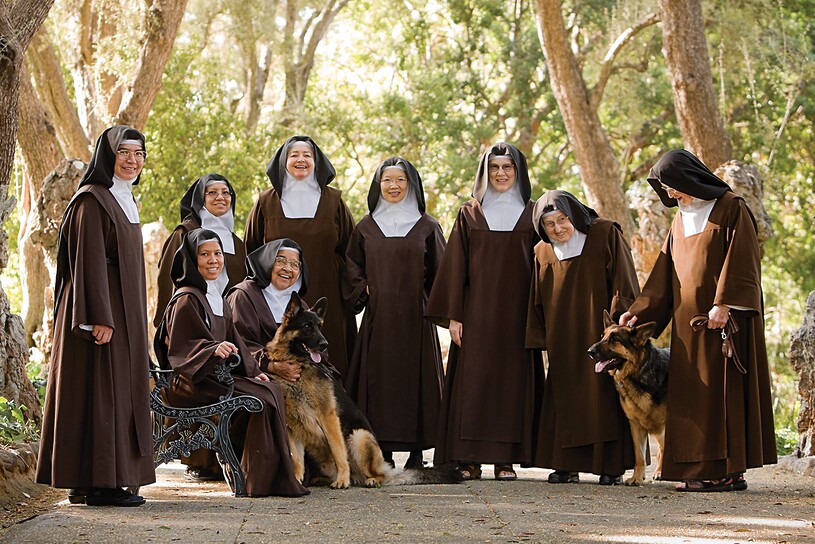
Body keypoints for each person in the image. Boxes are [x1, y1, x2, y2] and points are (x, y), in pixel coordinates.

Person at [619, 149, 776, 492]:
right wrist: (640, 313)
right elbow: (664, 275)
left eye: (674, 187)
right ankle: (705, 469)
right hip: (688, 324)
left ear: (688, 178)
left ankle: (726, 472)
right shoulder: (679, 220)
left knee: (722, 394)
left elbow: (744, 259)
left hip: (722, 321)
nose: (672, 195)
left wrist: (725, 303)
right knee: (695, 396)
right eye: (666, 190)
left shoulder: (731, 207)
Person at [36, 125, 155, 507]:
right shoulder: (92, 200)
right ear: (108, 155)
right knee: (104, 393)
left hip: (121, 312)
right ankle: (103, 485)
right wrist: (98, 317)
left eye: (139, 154)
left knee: (105, 393)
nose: (133, 160)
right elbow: (88, 262)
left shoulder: (125, 199)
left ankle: (87, 481)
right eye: (125, 152)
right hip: (100, 315)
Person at [155, 228, 308, 497]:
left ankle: (264, 473)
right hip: (192, 382)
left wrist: (253, 371)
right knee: (262, 398)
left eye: (217, 254)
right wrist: (213, 349)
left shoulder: (214, 295)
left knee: (269, 388)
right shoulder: (187, 298)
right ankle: (258, 479)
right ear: (192, 259)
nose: (214, 260)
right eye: (205, 255)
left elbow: (234, 340)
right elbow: (180, 350)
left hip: (214, 377)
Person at [425, 142, 543, 481]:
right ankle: (470, 458)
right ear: (485, 173)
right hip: (476, 314)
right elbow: (455, 267)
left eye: (508, 168)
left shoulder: (533, 212)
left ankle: (505, 460)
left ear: (518, 173)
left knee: (511, 386)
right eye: (495, 168)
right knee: (472, 385)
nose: (502, 174)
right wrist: (454, 316)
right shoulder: (470, 212)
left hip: (518, 315)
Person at [525, 190, 639, 485]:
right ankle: (566, 464)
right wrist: (540, 334)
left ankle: (610, 465)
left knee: (601, 394)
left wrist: (619, 324)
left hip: (602, 332)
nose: (558, 229)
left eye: (562, 220)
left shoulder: (604, 233)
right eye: (549, 224)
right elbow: (536, 298)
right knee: (565, 393)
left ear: (573, 215)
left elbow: (624, 279)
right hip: (562, 334)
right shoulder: (542, 251)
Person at [343, 157, 446, 469]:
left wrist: (425, 300)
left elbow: (441, 273)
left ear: (411, 184)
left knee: (416, 382)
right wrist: (365, 289)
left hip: (416, 321)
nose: (393, 186)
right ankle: (382, 448)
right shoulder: (366, 227)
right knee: (380, 383)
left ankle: (416, 453)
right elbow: (351, 267)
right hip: (379, 320)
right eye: (387, 180)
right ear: (378, 185)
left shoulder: (427, 226)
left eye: (400, 179)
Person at [244, 136, 356, 377]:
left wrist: (351, 295)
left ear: (316, 162)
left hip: (328, 299)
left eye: (307, 155)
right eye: (294, 154)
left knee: (330, 368)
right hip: (278, 302)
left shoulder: (334, 201)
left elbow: (351, 251)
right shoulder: (266, 202)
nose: (301, 159)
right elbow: (252, 251)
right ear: (284, 161)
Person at [154, 173, 247, 328]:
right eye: (212, 192)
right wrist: (166, 323)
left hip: (229, 324)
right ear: (200, 198)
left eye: (225, 192)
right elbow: (167, 279)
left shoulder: (238, 244)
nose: (220, 197)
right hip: (192, 321)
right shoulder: (185, 233)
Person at [225, 238, 311, 383]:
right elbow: (240, 343)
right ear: (268, 262)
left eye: (295, 264)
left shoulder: (300, 305)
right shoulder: (244, 295)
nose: (288, 269)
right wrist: (271, 366)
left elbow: (315, 345)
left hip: (298, 374)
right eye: (281, 261)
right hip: (254, 373)